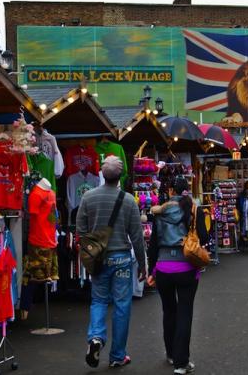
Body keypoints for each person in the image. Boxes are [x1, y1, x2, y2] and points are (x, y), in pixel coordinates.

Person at [77, 156, 147, 369]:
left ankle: (96, 338)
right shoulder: (128, 201)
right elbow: (137, 236)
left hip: (98, 259)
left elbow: (80, 231)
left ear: (101, 172)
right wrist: (143, 265)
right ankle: (117, 355)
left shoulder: (88, 198)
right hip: (122, 259)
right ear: (120, 176)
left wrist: (89, 251)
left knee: (98, 300)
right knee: (122, 305)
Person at [147, 177, 198, 375]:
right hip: (186, 267)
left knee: (169, 311)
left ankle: (170, 353)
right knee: (185, 312)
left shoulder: (160, 212)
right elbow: (204, 234)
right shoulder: (193, 210)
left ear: (170, 191)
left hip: (163, 268)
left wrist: (152, 270)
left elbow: (153, 245)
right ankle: (181, 362)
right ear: (187, 190)